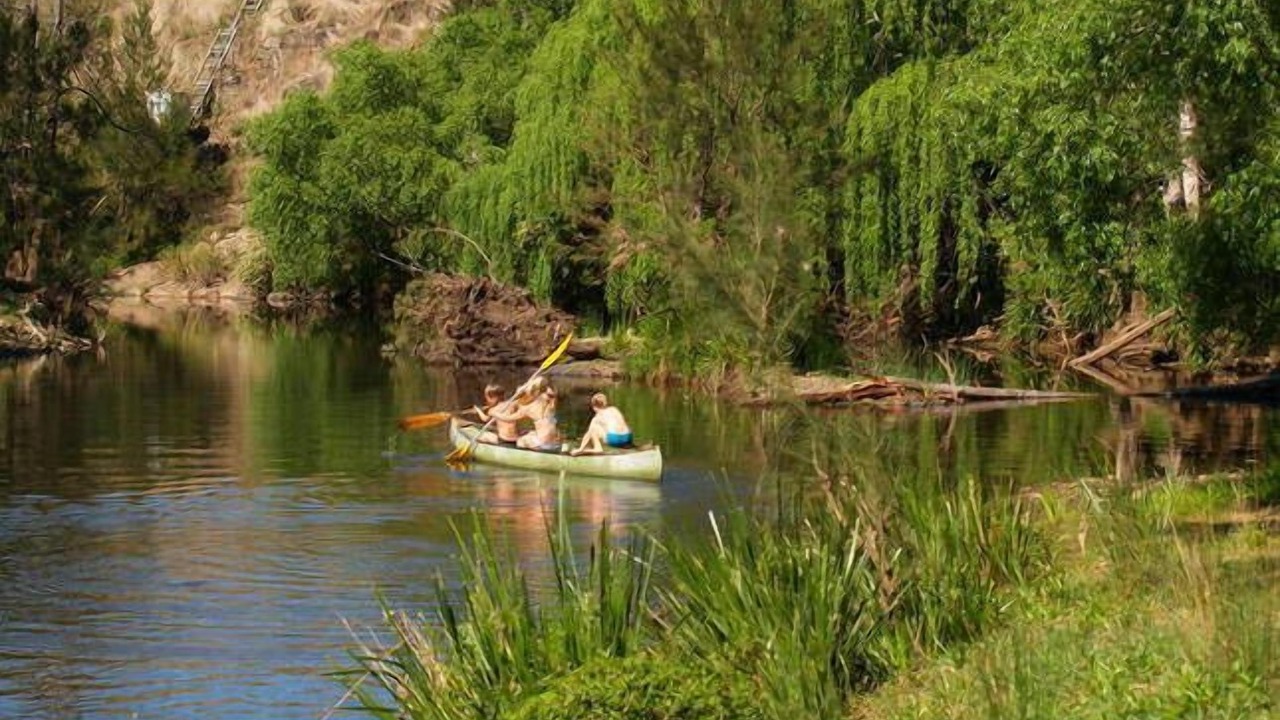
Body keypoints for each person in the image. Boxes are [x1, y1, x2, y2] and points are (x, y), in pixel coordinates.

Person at [486, 377, 562, 452]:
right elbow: (549, 390)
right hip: (555, 444)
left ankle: (529, 454)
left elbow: (507, 418)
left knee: (520, 441)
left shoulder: (527, 409)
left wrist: (494, 413)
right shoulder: (549, 404)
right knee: (532, 433)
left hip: (543, 445)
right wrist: (532, 384)